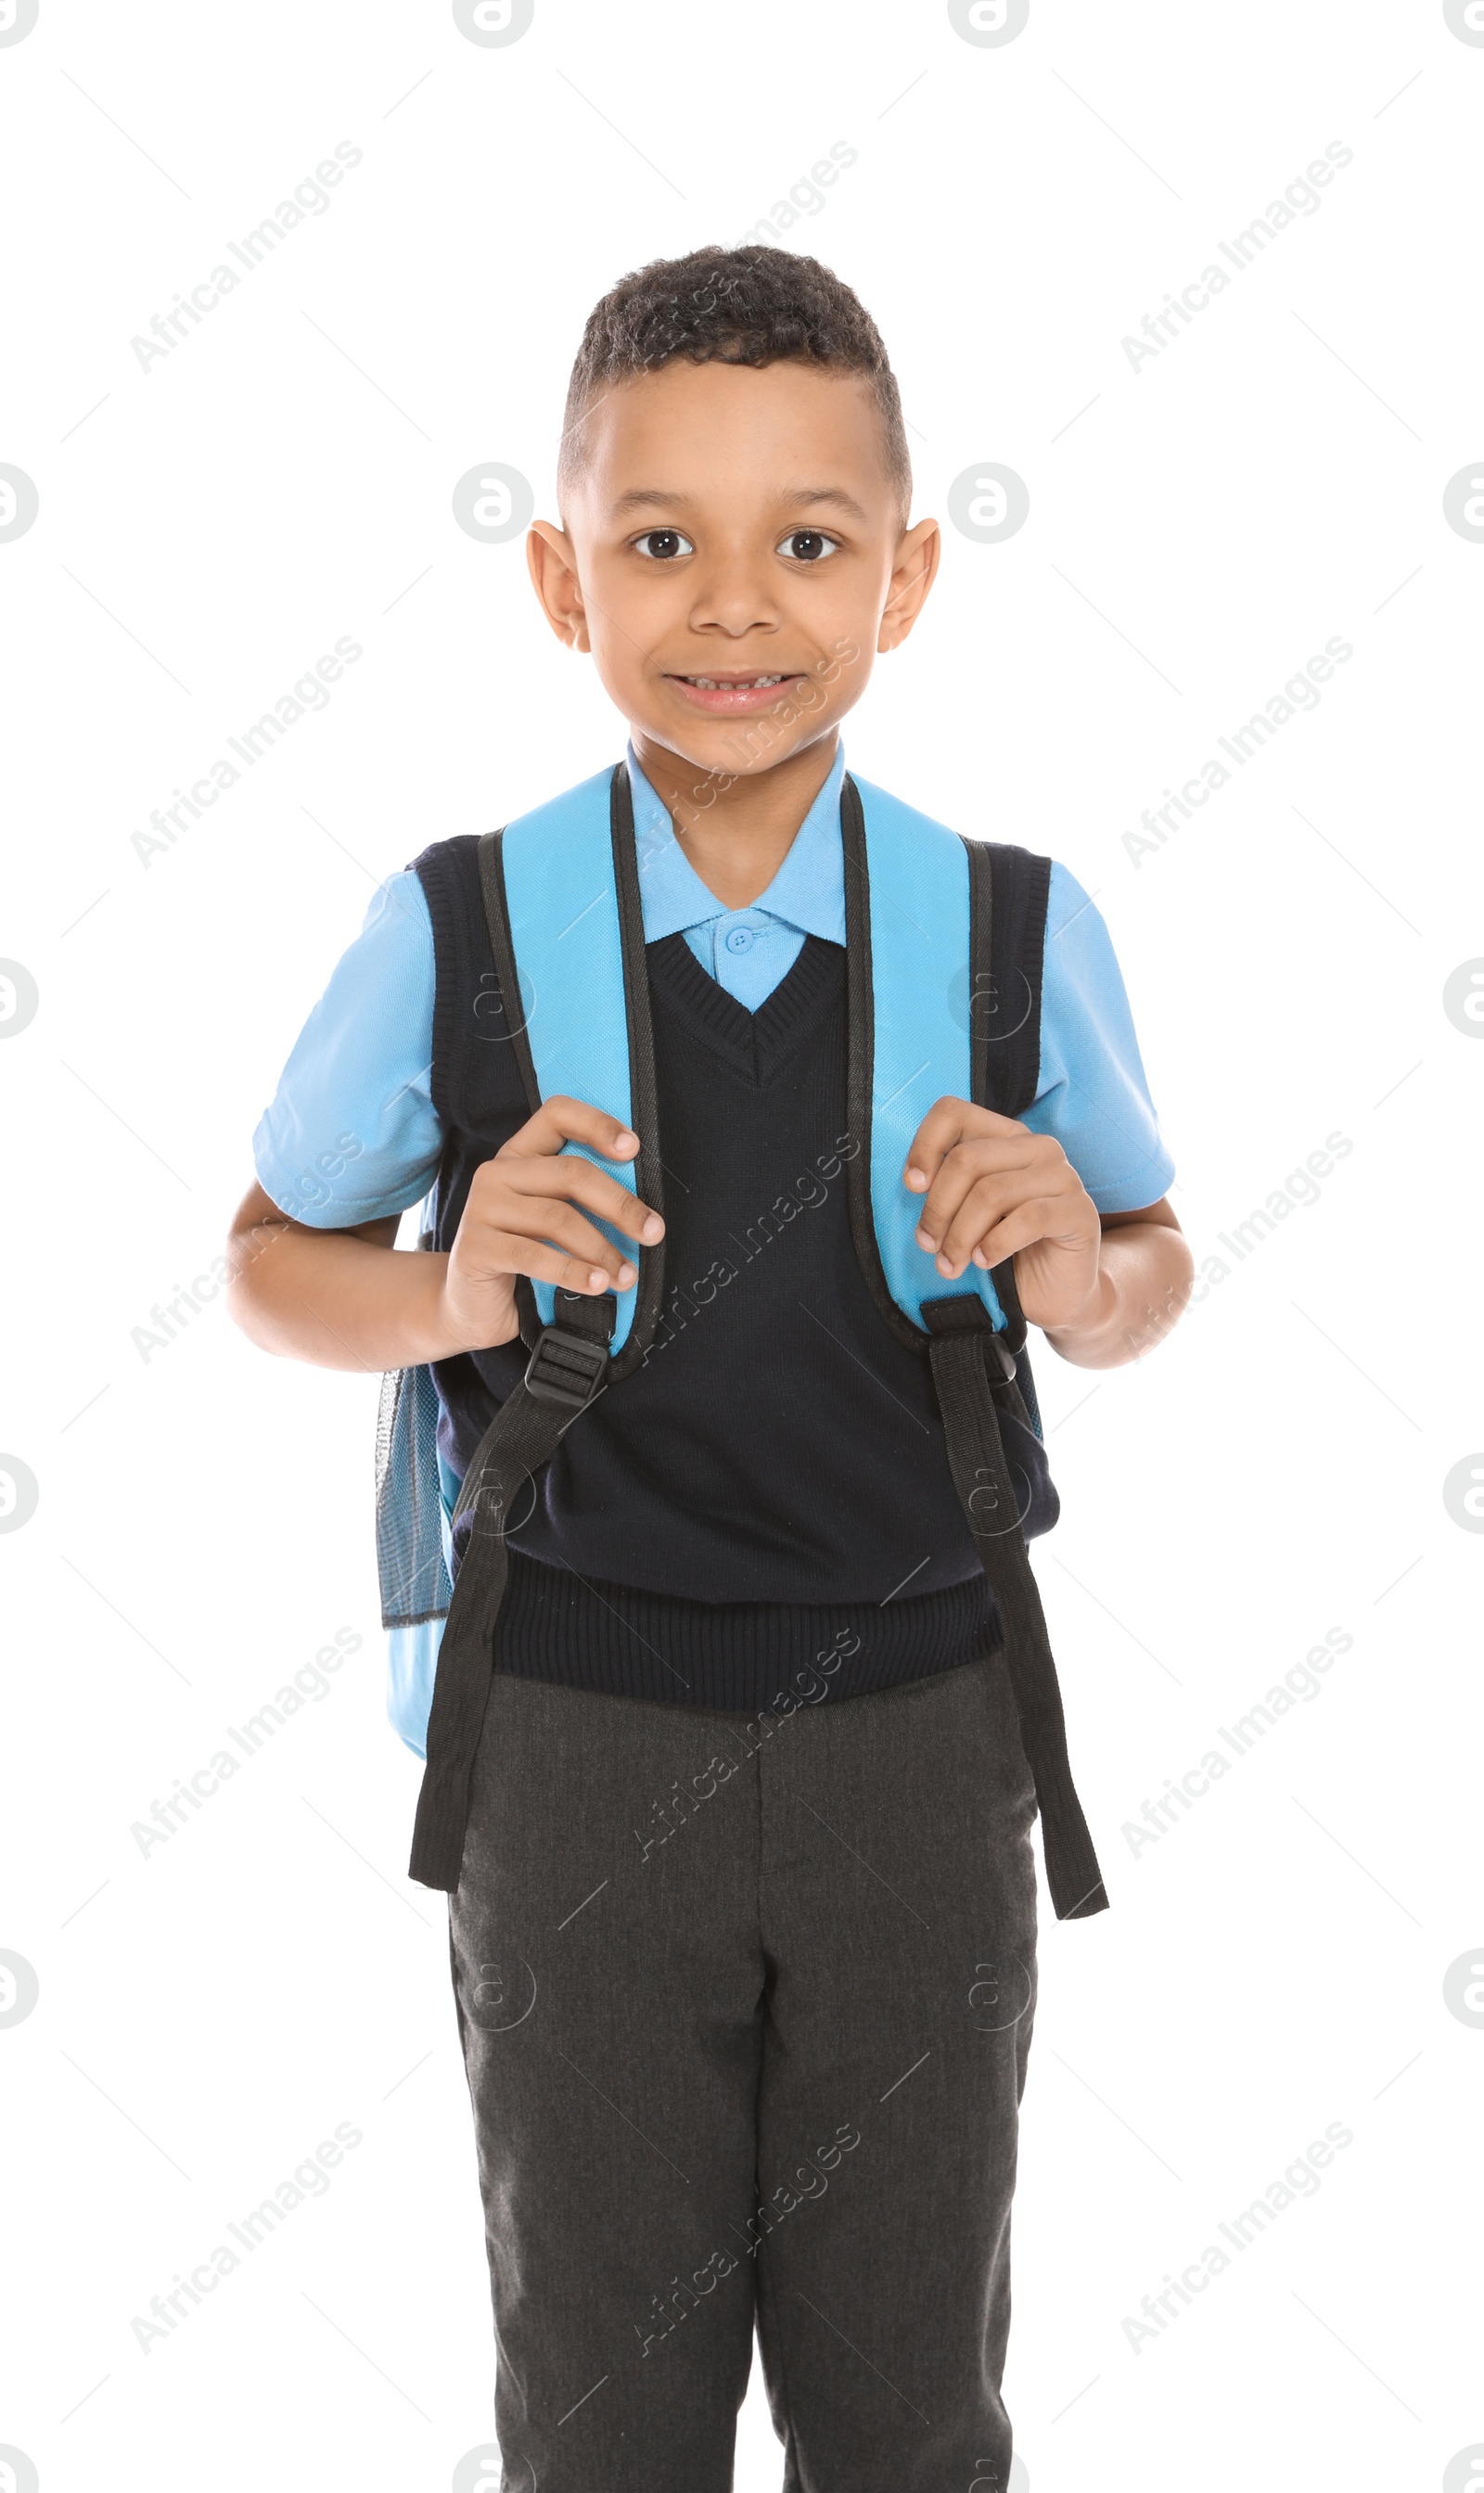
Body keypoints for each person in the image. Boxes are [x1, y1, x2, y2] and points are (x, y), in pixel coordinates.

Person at [226, 245, 1192, 2493]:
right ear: (562, 581)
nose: (734, 606)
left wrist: (1085, 1263)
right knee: (595, 2407)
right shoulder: (454, 929)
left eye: (808, 544)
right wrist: (454, 1290)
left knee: (911, 2405)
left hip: (919, 1731)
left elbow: (1144, 1263)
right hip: (568, 1743)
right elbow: (274, 1265)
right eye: (659, 541)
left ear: (906, 576)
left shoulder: (1014, 932)